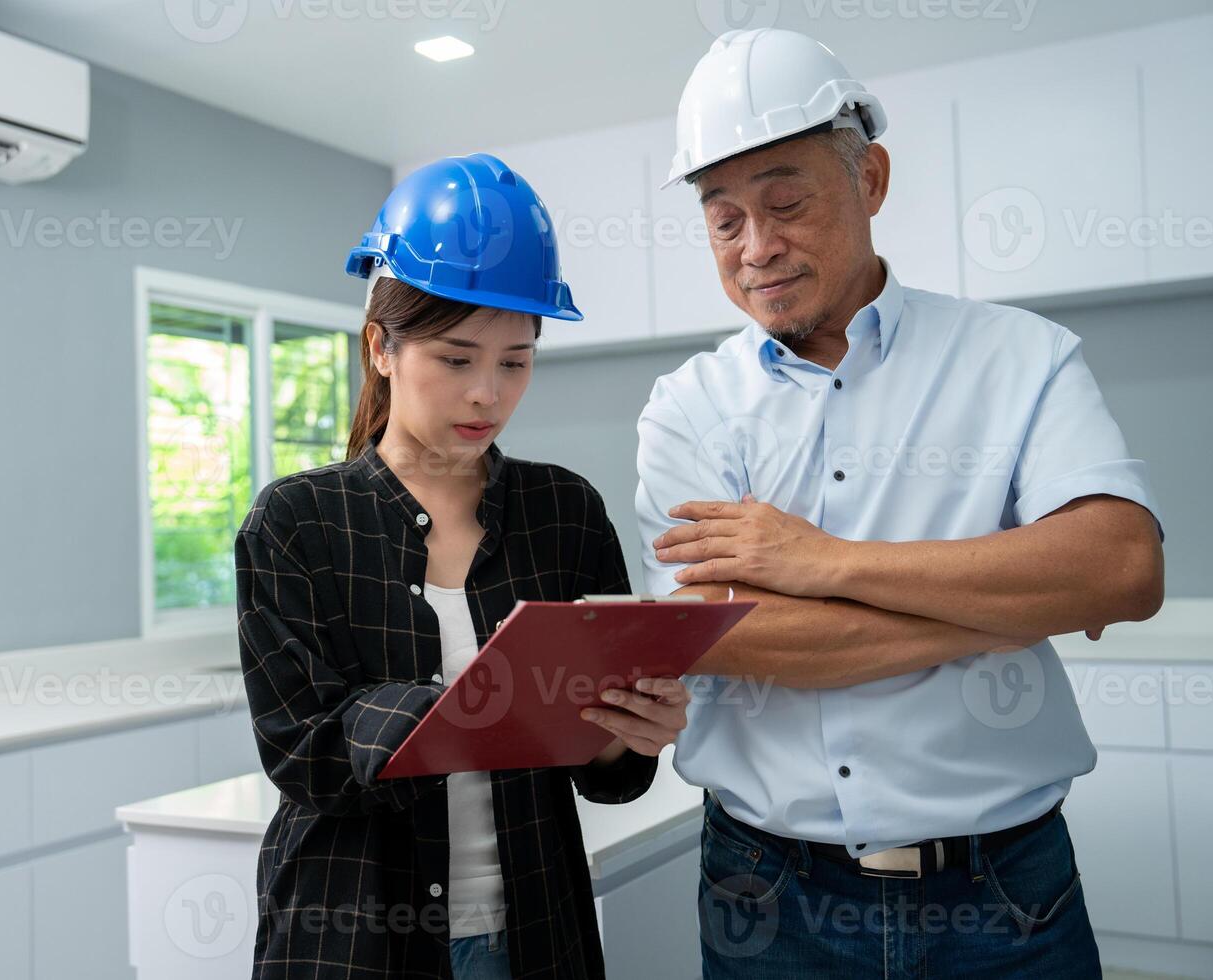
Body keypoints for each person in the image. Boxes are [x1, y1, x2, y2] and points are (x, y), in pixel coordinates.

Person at [635, 29, 1165, 978]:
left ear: (870, 179)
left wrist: (822, 563)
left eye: (787, 203)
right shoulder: (688, 407)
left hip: (1004, 896)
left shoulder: (1020, 358)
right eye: (725, 221)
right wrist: (1007, 604)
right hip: (767, 898)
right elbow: (715, 636)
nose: (758, 248)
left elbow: (1121, 568)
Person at [237, 152, 690, 980]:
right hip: (354, 941)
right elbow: (301, 752)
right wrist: (479, 707)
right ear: (381, 346)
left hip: (535, 928)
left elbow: (608, 779)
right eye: (455, 359)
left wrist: (630, 733)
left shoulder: (566, 512)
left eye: (515, 361)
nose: (488, 392)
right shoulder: (296, 521)